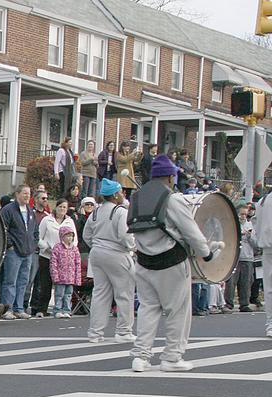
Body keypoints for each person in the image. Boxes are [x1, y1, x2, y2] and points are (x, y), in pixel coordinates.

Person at [128, 155, 215, 372]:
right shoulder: (172, 199)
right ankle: (172, 357)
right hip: (171, 262)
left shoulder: (137, 197)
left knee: (148, 308)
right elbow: (191, 230)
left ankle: (141, 356)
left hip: (143, 261)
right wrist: (206, 253)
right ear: (170, 176)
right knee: (177, 310)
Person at [83, 179, 136, 343]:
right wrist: (132, 247)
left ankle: (95, 332)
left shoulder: (95, 212)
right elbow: (124, 235)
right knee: (124, 293)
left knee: (100, 293)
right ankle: (123, 331)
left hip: (97, 252)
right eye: (120, 191)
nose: (122, 194)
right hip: (117, 253)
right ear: (114, 194)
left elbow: (86, 235)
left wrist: (96, 245)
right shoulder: (120, 211)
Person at [0, 184, 38, 319]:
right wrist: (10, 245)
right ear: (17, 194)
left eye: (29, 193)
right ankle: (7, 309)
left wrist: (33, 244)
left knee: (23, 281)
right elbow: (3, 228)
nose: (27, 196)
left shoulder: (31, 211)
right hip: (13, 252)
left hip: (28, 252)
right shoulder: (8, 210)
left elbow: (35, 231)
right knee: (10, 281)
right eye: (25, 193)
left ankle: (19, 308)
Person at [33, 198, 69, 317]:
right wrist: (46, 247)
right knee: (45, 284)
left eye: (64, 207)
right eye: (60, 207)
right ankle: (41, 309)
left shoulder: (69, 222)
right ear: (56, 207)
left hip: (63, 258)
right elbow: (38, 236)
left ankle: (61, 308)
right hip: (47, 256)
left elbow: (74, 240)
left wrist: (66, 250)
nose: (62, 209)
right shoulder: (47, 220)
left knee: (62, 284)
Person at [224, 202, 259, 312]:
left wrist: (249, 236)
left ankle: (244, 303)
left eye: (245, 214)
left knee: (246, 282)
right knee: (231, 282)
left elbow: (256, 244)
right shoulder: (232, 224)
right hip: (234, 257)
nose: (243, 216)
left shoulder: (250, 225)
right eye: (241, 214)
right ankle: (228, 303)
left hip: (247, 257)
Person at [49, 221, 81, 318]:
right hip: (60, 278)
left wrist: (77, 278)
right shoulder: (57, 248)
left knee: (68, 295)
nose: (69, 238)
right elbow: (53, 263)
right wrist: (55, 276)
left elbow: (77, 264)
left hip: (70, 278)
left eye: (71, 236)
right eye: (67, 236)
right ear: (62, 236)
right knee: (59, 294)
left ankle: (67, 310)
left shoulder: (75, 249)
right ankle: (57, 310)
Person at [253, 191, 272, 337]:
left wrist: (260, 240)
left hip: (267, 246)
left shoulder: (263, 200)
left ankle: (270, 324)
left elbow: (256, 222)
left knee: (269, 288)